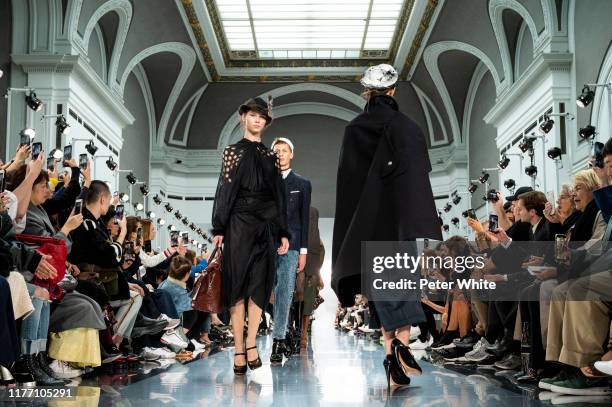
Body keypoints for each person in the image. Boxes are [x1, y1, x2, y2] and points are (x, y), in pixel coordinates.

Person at [332, 64, 442, 390]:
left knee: (383, 297)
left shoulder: (354, 130)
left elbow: (347, 183)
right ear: (393, 91)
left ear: (367, 92)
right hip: (400, 224)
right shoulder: (409, 127)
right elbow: (420, 174)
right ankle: (401, 350)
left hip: (368, 227)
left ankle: (392, 359)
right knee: (402, 293)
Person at [211, 97, 290, 375]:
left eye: (262, 117)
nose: (257, 120)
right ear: (243, 117)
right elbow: (224, 190)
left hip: (266, 225)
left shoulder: (271, 156)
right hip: (238, 225)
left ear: (266, 123)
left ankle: (252, 342)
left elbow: (279, 195)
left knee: (259, 284)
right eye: (253, 115)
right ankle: (239, 348)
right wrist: (219, 228)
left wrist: (283, 231)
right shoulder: (232, 152)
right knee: (237, 285)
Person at [269, 137, 311, 363]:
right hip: (265, 243)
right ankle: (281, 335)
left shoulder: (302, 184)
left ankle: (277, 340)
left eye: (285, 150)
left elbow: (303, 219)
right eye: (277, 150)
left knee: (285, 291)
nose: (281, 154)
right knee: (265, 292)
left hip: (292, 246)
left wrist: (303, 250)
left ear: (291, 154)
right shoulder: (265, 181)